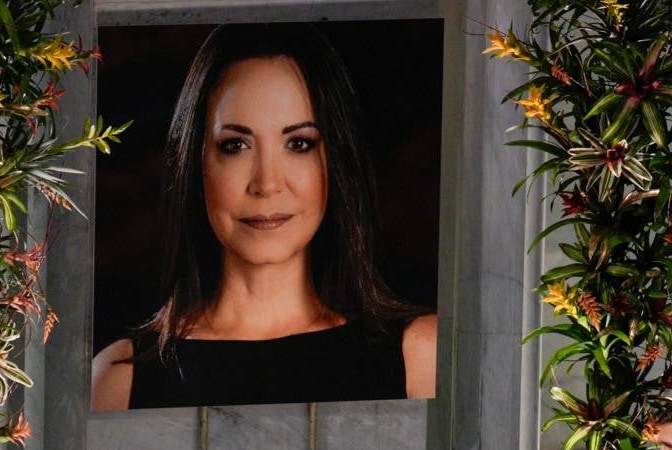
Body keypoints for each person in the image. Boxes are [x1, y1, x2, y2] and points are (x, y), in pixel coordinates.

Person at [91, 23, 435, 410]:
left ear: (334, 160)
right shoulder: (118, 381)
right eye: (235, 145)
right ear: (195, 162)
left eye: (299, 143)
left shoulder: (419, 358)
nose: (267, 183)